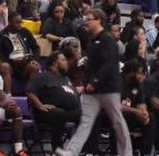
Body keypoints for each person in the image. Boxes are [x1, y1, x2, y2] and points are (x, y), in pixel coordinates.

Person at [56, 9, 133, 156]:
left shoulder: (107, 39)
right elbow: (91, 66)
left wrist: (95, 82)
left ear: (98, 20)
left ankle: (126, 153)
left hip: (109, 88)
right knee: (86, 121)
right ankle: (71, 151)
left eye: (90, 19)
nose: (87, 22)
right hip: (92, 91)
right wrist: (87, 84)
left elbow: (109, 64)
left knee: (117, 122)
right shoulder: (92, 40)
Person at [26, 51, 82, 145]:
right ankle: (57, 150)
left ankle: (88, 151)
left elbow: (71, 93)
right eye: (63, 60)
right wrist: (40, 105)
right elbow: (29, 91)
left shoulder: (66, 78)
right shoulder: (43, 76)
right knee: (58, 114)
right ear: (55, 63)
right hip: (46, 113)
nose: (66, 62)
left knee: (88, 115)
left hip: (67, 111)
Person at [0, 10, 40, 95]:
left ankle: (31, 94)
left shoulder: (25, 32)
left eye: (21, 22)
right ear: (10, 22)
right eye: (17, 22)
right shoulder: (1, 36)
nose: (19, 25)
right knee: (5, 66)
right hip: (10, 64)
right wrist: (11, 59)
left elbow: (36, 48)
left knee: (34, 67)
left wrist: (34, 59)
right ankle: (8, 94)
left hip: (24, 64)